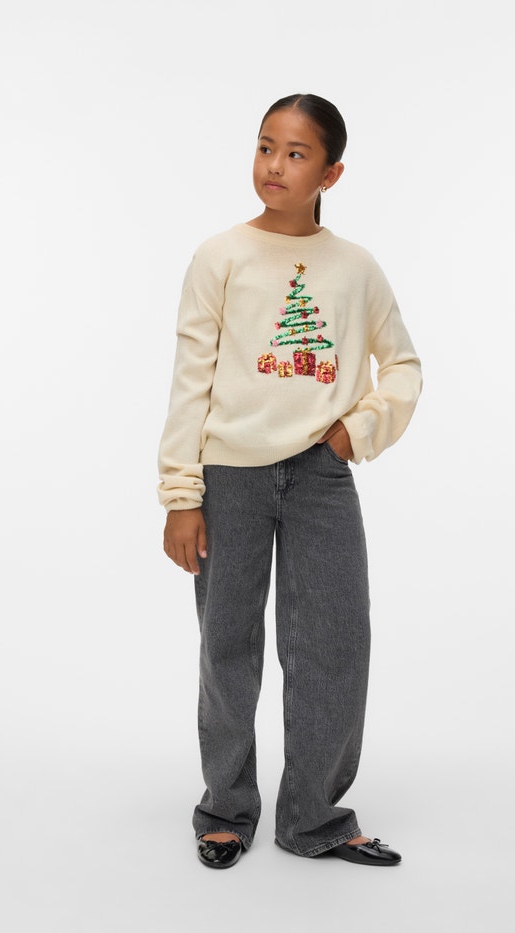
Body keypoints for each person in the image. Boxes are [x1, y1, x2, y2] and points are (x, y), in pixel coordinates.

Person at [158, 93, 423, 870]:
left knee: (336, 640)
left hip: (320, 475)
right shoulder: (220, 256)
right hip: (229, 474)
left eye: (296, 153)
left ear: (331, 173)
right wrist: (182, 495)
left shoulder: (355, 268)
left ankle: (313, 815)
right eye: (265, 146)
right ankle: (226, 806)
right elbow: (190, 380)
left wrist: (356, 430)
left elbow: (403, 365)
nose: (274, 165)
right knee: (227, 644)